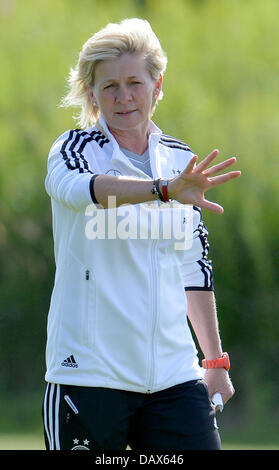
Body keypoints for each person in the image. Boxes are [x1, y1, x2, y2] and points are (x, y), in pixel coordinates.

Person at [42, 18, 240, 451]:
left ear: (157, 85)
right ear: (91, 92)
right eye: (109, 85)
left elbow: (193, 266)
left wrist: (215, 361)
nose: (124, 96)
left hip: (174, 378)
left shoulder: (181, 161)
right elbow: (85, 191)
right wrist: (163, 191)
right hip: (89, 377)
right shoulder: (73, 150)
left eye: (134, 81)